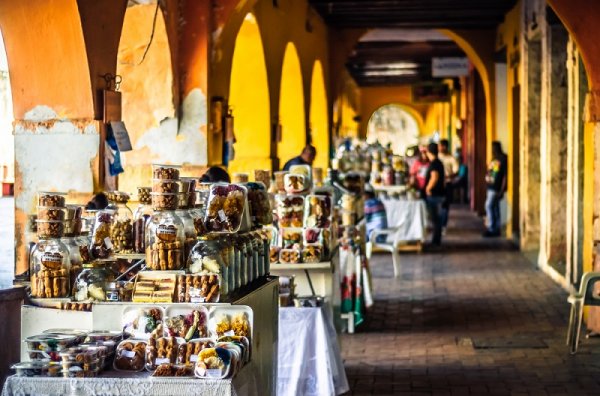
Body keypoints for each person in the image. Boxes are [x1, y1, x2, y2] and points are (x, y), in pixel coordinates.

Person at [483, 141, 507, 237]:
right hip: (490, 186)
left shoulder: (503, 158)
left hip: (496, 187)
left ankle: (492, 227)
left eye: (494, 148)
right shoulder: (494, 159)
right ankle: (496, 228)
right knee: (495, 207)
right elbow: (492, 172)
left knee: (488, 206)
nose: (492, 150)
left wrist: (502, 189)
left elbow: (505, 175)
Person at [424, 143, 446, 246]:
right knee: (437, 219)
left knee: (435, 219)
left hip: (435, 194)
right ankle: (436, 239)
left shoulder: (434, 164)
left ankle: (436, 241)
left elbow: (434, 177)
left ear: (429, 152)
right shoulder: (439, 163)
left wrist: (428, 188)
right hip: (439, 193)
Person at [438, 139, 459, 232]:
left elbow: (456, 172)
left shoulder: (451, 158)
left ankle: (443, 225)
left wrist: (447, 176)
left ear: (445, 147)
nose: (439, 148)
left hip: (447, 183)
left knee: (445, 205)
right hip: (438, 184)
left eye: (441, 146)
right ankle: (438, 224)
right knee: (438, 205)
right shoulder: (437, 157)